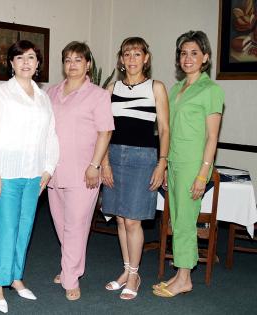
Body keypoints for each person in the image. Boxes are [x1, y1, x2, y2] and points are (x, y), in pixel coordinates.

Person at [0, 40, 59, 313]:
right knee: (7, 229)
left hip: (34, 173)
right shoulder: (0, 94)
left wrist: (48, 168)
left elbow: (50, 136)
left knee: (24, 228)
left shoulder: (43, 97)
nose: (26, 62)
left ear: (38, 64)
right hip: (5, 174)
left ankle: (15, 278)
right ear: (11, 63)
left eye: (32, 57)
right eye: (20, 57)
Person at [153, 30, 224, 298]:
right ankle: (181, 273)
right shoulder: (176, 89)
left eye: (194, 53)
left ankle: (185, 279)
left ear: (205, 57)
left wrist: (202, 173)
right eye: (183, 53)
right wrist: (164, 163)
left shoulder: (211, 90)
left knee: (185, 221)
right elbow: (167, 129)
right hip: (174, 163)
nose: (188, 58)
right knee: (177, 220)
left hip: (194, 165)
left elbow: (213, 137)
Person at [101, 37, 169, 300]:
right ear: (121, 59)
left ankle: (134, 275)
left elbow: (164, 129)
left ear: (146, 58)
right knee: (120, 217)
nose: (131, 59)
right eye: (127, 54)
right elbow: (104, 128)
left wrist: (161, 163)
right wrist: (104, 161)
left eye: (137, 54)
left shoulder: (156, 87)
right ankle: (127, 270)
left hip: (143, 158)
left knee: (133, 219)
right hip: (115, 155)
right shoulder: (111, 87)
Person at [47, 41, 114, 301]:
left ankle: (71, 277)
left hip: (84, 170)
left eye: (78, 60)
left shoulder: (98, 95)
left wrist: (95, 165)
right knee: (61, 224)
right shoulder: (52, 92)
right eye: (68, 60)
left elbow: (105, 132)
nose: (72, 64)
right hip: (54, 170)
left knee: (76, 225)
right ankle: (69, 266)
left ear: (88, 65)